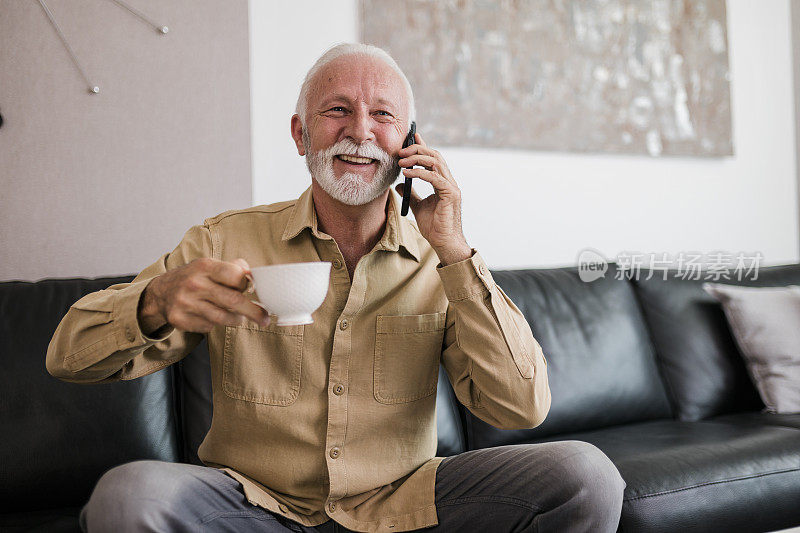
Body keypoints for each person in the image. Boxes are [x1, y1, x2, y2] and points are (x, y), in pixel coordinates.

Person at [46, 43, 626, 532]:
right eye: (337, 110)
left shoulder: (441, 257)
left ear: (410, 143)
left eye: (383, 115)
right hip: (252, 507)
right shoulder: (223, 241)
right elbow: (67, 357)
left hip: (405, 506)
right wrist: (153, 302)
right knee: (129, 497)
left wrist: (453, 248)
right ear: (301, 134)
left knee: (586, 476)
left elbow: (521, 407)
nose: (359, 131)